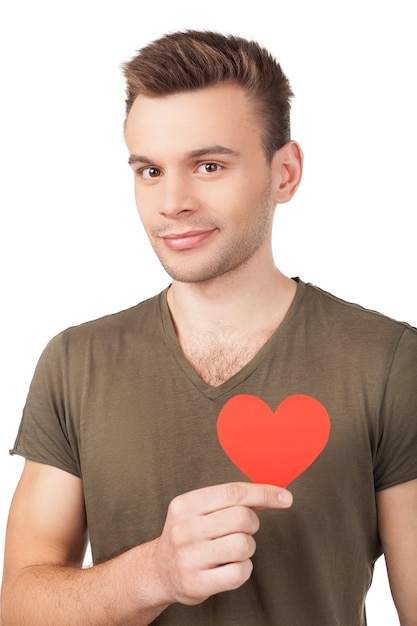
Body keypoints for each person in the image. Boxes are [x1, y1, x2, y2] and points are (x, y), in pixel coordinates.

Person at [1, 30, 416, 626]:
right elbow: (19, 608)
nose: (172, 201)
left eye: (209, 165)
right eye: (149, 170)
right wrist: (156, 573)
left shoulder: (390, 362)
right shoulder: (75, 362)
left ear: (285, 174)